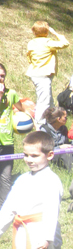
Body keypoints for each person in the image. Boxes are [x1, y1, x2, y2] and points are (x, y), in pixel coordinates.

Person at [26, 21, 69, 127]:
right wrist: (55, 33)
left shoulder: (31, 43)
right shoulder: (48, 42)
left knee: (49, 101)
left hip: (35, 73)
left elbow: (29, 57)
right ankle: (40, 124)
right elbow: (65, 43)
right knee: (44, 102)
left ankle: (53, 121)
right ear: (47, 31)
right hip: (43, 75)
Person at [1, 62, 27, 207]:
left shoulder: (11, 93)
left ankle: (4, 208)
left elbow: (21, 108)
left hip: (7, 142)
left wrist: (18, 112)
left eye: (2, 76)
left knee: (5, 177)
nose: (1, 79)